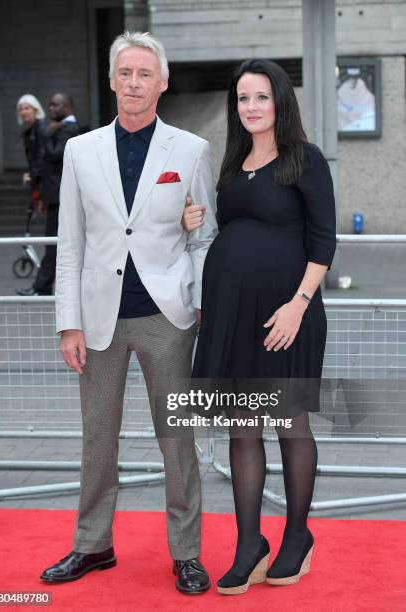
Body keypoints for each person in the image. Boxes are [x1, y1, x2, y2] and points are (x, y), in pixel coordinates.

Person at [40, 32, 217, 594]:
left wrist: (200, 300)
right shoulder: (80, 150)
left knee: (176, 439)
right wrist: (67, 321)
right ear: (111, 80)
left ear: (162, 82)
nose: (134, 83)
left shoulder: (190, 150)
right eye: (125, 73)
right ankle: (93, 545)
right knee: (98, 437)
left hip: (169, 317)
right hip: (97, 320)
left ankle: (186, 552)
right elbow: (69, 242)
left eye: (145, 74)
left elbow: (204, 238)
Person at [185, 58, 336, 594]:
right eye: (243, 99)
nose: (251, 107)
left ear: (281, 102)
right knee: (241, 427)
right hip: (234, 316)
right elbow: (232, 232)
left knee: (290, 423)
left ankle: (297, 537)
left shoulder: (305, 159)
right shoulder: (233, 162)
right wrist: (193, 222)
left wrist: (298, 304)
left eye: (261, 97)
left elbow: (324, 241)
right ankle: (249, 542)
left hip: (287, 317)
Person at [16, 93, 81, 296]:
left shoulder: (69, 129)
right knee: (55, 243)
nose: (51, 108)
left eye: (55, 105)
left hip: (61, 196)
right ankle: (44, 287)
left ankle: (43, 287)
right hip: (55, 196)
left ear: (68, 106)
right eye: (50, 105)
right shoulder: (60, 127)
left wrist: (46, 134)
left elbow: (53, 155)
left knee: (54, 244)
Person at [16, 93, 46, 209]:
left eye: (27, 108)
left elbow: (42, 156)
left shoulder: (41, 128)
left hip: (46, 182)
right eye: (21, 109)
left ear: (35, 109)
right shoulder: (32, 130)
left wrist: (32, 175)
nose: (23, 112)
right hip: (40, 180)